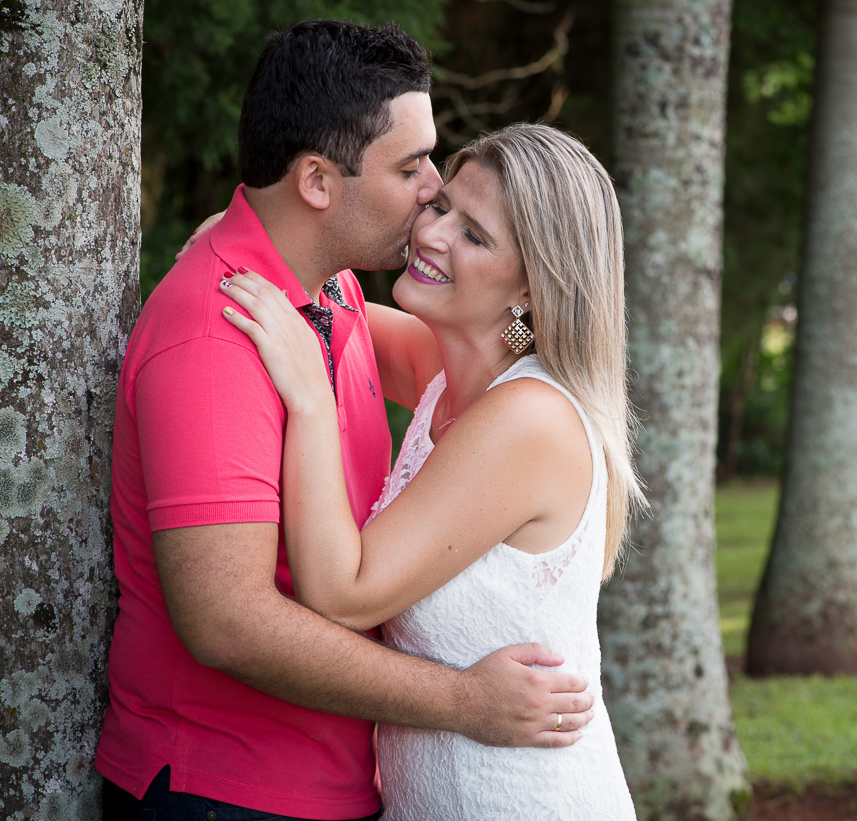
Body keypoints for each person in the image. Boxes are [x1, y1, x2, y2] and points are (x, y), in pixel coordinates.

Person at [97, 22, 593, 821]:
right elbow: (228, 623)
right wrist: (464, 700)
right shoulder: (219, 338)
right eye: (410, 166)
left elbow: (486, 370)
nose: (433, 190)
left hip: (353, 787)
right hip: (229, 790)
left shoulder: (332, 297)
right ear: (319, 183)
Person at [217, 123, 641, 819]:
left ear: (531, 288)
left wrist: (311, 403)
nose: (433, 235)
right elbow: (315, 291)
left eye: (474, 236)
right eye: (442, 206)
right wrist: (246, 234)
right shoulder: (454, 373)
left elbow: (343, 592)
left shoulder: (528, 419)